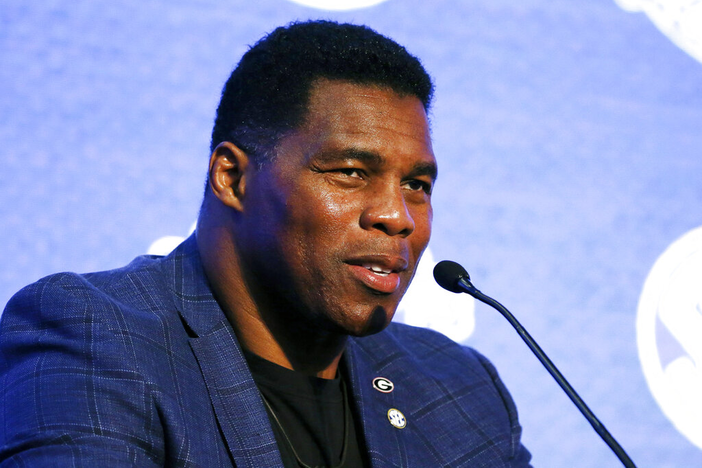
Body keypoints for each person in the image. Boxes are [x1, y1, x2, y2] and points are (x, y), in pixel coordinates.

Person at [0, 21, 531, 467]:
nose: (396, 216)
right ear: (232, 178)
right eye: (350, 172)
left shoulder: (458, 389)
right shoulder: (93, 337)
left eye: (416, 185)